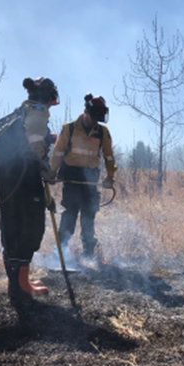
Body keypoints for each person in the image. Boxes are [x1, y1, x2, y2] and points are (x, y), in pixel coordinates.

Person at [0, 77, 59, 306]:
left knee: (12, 227)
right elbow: (34, 142)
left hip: (9, 178)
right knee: (31, 228)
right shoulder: (36, 112)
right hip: (24, 178)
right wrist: (46, 169)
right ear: (48, 96)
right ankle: (22, 287)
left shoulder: (20, 111)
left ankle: (15, 284)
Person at [49, 94, 116, 260]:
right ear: (86, 112)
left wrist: (110, 176)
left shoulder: (102, 132)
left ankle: (88, 254)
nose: (96, 122)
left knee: (89, 214)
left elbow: (108, 157)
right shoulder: (69, 129)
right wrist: (52, 172)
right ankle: (60, 252)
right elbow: (58, 153)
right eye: (94, 117)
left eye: (99, 118)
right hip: (71, 176)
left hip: (90, 178)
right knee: (70, 212)